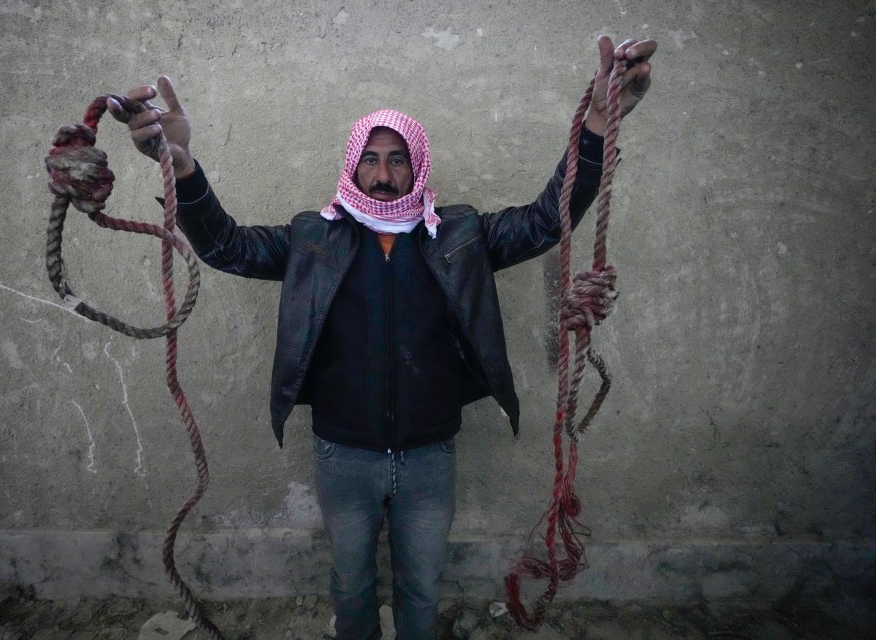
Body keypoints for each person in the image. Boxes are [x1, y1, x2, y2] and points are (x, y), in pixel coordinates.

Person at [109, 35, 656, 640]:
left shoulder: (459, 235)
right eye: (370, 159)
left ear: (417, 165)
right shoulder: (313, 240)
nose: (383, 174)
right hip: (343, 455)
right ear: (352, 165)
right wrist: (181, 167)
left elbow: (544, 219)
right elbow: (226, 247)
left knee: (421, 590)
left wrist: (599, 124)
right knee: (352, 587)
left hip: (430, 456)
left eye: (397, 159)